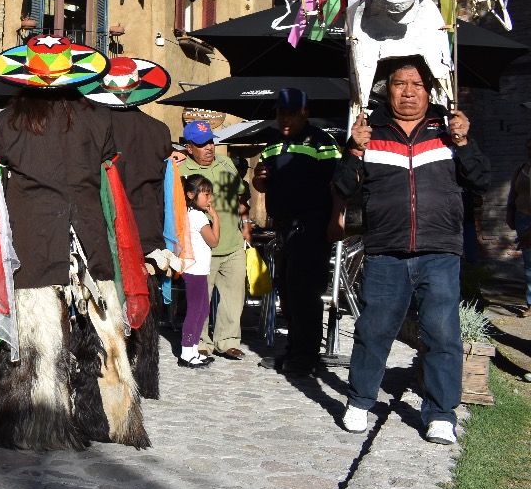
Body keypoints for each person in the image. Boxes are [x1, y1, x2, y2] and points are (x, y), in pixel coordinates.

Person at [0, 35, 149, 451]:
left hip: (32, 237)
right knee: (99, 323)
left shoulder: (6, 123)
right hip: (87, 232)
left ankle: (36, 422)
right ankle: (111, 418)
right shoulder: (98, 119)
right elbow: (107, 175)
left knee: (38, 330)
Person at [333, 57, 489, 445]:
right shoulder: (371, 131)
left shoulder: (448, 129)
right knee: (373, 330)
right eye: (400, 83)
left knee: (442, 333)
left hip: (440, 250)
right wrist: (354, 149)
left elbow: (481, 180)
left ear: (429, 90)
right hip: (386, 251)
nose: (408, 91)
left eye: (417, 85)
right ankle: (360, 402)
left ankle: (440, 413)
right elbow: (342, 189)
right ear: (387, 89)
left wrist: (464, 142)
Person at [88, 56, 173, 398]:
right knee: (145, 300)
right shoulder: (159, 131)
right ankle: (146, 374)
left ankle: (108, 371)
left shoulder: (93, 127)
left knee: (106, 300)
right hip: (147, 225)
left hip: (107, 224)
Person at [252, 88, 343, 376]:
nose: (285, 118)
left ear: (305, 113)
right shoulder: (273, 142)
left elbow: (339, 183)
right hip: (284, 228)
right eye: (281, 112)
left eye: (292, 112)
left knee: (305, 293)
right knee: (288, 293)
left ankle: (306, 358)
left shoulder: (321, 141)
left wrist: (336, 220)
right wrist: (258, 179)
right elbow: (263, 183)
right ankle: (294, 350)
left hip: (312, 225)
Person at [178, 119, 250, 359]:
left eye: (210, 141)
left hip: (232, 244)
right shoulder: (180, 171)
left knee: (233, 297)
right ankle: (200, 342)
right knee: (201, 300)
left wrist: (246, 224)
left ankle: (228, 341)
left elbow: (241, 197)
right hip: (201, 250)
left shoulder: (226, 163)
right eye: (201, 144)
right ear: (189, 148)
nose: (209, 147)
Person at [179, 175, 219, 367]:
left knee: (202, 310)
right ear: (191, 194)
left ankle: (194, 350)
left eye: (210, 194)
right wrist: (216, 218)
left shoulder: (189, 213)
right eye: (206, 194)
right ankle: (186, 352)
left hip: (197, 268)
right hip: (195, 269)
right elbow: (214, 241)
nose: (209, 199)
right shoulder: (198, 216)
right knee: (196, 310)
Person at [504, 138, 531, 317]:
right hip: (523, 218)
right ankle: (530, 303)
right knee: (529, 263)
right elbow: (512, 194)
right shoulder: (521, 169)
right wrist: (510, 214)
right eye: (528, 148)